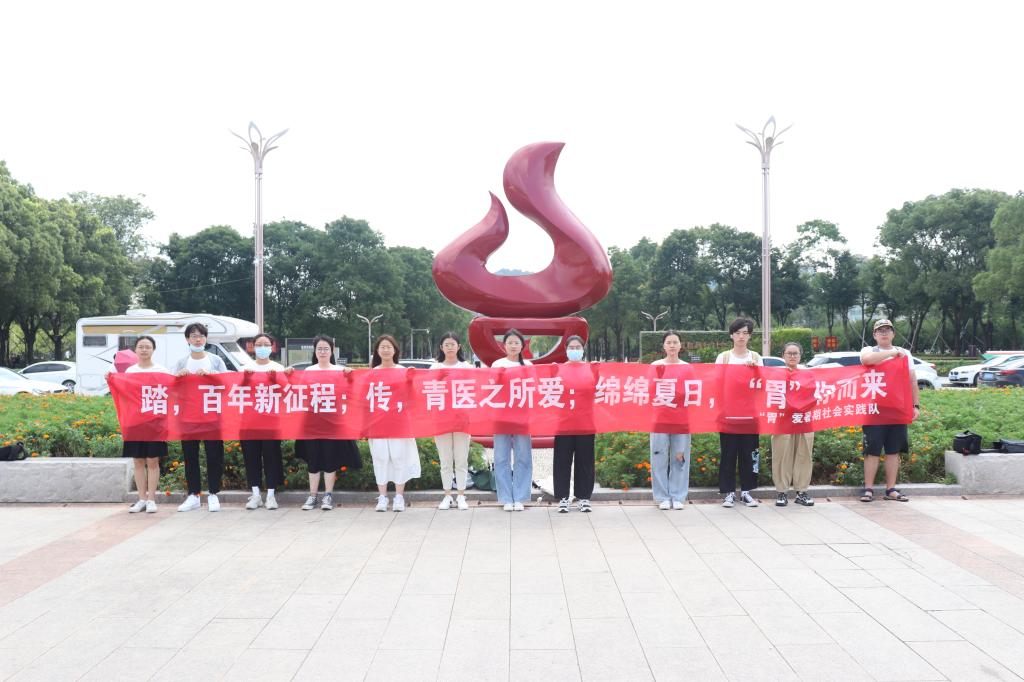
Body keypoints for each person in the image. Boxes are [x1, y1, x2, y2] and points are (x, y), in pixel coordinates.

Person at [295, 335, 361, 511]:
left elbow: (352, 391)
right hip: (311, 421)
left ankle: (328, 495)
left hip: (333, 422)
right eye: (319, 349)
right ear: (315, 351)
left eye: (326, 349)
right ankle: (312, 496)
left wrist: (351, 377)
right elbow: (300, 393)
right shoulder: (308, 371)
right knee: (313, 460)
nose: (323, 352)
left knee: (330, 459)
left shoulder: (340, 371)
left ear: (332, 351)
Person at [859, 319, 920, 503]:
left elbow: (912, 380)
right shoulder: (869, 350)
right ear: (874, 335)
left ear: (893, 333)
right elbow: (866, 360)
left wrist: (915, 406)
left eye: (887, 330)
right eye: (880, 330)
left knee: (893, 450)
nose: (884, 333)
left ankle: (891, 489)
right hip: (874, 409)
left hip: (897, 409)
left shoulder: (905, 353)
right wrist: (893, 353)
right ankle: (868, 489)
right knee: (872, 450)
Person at [172, 322, 228, 512]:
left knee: (214, 456)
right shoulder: (181, 362)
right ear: (187, 339)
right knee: (190, 456)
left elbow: (227, 384)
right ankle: (193, 495)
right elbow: (172, 389)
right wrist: (178, 377)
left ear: (206, 339)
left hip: (212, 416)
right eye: (194, 336)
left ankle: (213, 494)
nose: (198, 339)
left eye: (201, 336)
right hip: (188, 417)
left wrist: (212, 375)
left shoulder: (215, 361)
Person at [369, 334, 421, 512]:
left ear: (395, 350)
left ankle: (399, 497)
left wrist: (412, 380)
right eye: (382, 347)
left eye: (389, 347)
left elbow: (413, 396)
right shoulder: (372, 373)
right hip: (378, 423)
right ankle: (382, 497)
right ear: (377, 351)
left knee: (399, 458)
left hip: (399, 423)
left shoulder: (403, 371)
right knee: (380, 459)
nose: (385, 350)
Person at [715, 318, 763, 509]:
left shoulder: (756, 357)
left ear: (750, 336)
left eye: (745, 333)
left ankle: (746, 492)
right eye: (738, 333)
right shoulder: (724, 357)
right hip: (728, 414)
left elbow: (763, 385)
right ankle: (728, 493)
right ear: (731, 335)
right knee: (728, 454)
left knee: (749, 454)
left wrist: (755, 371)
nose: (741, 336)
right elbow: (716, 384)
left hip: (750, 415)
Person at [121, 336, 171, 514]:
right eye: (141, 346)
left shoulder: (161, 370)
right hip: (135, 422)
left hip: (155, 423)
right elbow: (124, 394)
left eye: (147, 347)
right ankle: (141, 499)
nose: (144, 350)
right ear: (135, 350)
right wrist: (111, 379)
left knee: (152, 460)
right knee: (138, 461)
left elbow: (170, 392)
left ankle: (151, 500)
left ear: (153, 350)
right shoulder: (130, 371)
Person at [240, 333, 286, 511]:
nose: (262, 347)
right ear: (253, 347)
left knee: (271, 457)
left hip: (271, 422)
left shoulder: (278, 368)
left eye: (266, 344)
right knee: (251, 458)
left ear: (272, 347)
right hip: (249, 422)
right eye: (259, 344)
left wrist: (276, 380)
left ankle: (271, 495)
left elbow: (286, 392)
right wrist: (245, 380)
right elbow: (235, 391)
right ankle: (256, 495)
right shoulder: (245, 368)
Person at [491, 329, 534, 512]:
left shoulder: (529, 365)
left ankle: (521, 497)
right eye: (510, 342)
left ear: (522, 345)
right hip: (501, 415)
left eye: (517, 342)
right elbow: (489, 387)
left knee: (523, 456)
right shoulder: (497, 364)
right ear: (504, 345)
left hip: (522, 416)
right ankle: (506, 498)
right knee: (501, 457)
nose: (513, 345)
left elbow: (534, 389)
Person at [649, 331, 691, 510]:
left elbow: (693, 392)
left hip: (681, 419)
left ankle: (678, 496)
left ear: (680, 345)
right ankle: (662, 497)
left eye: (675, 342)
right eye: (669, 342)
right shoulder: (655, 366)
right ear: (663, 346)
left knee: (680, 457)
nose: (672, 345)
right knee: (658, 456)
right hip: (659, 419)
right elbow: (648, 391)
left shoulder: (687, 368)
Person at [430, 333, 473, 511]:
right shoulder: (435, 367)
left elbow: (476, 388)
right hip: (441, 419)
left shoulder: (467, 367)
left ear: (459, 346)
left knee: (461, 459)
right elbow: (426, 390)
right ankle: (447, 495)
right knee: (445, 460)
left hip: (462, 419)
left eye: (452, 344)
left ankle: (461, 495)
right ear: (441, 347)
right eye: (446, 344)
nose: (449, 347)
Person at [554, 335, 595, 512]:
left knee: (585, 461)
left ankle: (584, 497)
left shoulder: (591, 369)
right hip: (564, 422)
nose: (575, 350)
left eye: (578, 347)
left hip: (586, 421)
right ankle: (563, 498)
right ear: (566, 350)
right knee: (562, 460)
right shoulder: (558, 369)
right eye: (571, 347)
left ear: (583, 350)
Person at [771, 342, 815, 507]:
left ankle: (801, 492)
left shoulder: (808, 374)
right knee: (782, 454)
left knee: (804, 455)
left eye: (795, 353)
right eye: (789, 353)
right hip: (783, 420)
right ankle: (781, 492)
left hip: (804, 420)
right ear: (783, 355)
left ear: (800, 356)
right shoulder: (775, 375)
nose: (792, 356)